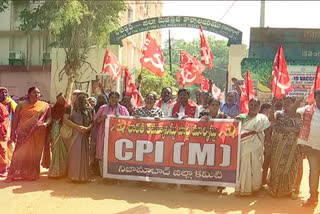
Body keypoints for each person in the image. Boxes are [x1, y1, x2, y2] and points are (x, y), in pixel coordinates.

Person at [5, 87, 51, 182]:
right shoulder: (21, 105)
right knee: (19, 154)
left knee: (33, 154)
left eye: (38, 93)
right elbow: (15, 120)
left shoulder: (44, 105)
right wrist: (12, 133)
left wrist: (45, 124)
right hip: (23, 133)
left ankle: (30, 174)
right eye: (34, 92)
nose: (37, 94)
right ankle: (13, 174)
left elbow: (49, 118)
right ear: (28, 94)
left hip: (37, 134)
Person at [268, 96, 303, 198]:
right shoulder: (279, 113)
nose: (286, 104)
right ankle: (275, 189)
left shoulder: (299, 115)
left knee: (291, 167)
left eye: (289, 102)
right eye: (285, 102)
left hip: (293, 146)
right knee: (276, 166)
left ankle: (288, 190)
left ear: (294, 104)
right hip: (279, 145)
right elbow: (271, 119)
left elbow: (298, 129)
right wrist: (272, 107)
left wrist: (286, 129)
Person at [235, 98, 270, 195]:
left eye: (256, 105)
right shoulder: (242, 117)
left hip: (257, 145)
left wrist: (267, 142)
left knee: (256, 166)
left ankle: (255, 187)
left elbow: (267, 131)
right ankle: (243, 188)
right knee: (244, 165)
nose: (253, 107)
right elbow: (233, 126)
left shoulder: (262, 118)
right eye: (251, 105)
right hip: (244, 145)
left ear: (259, 107)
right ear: (248, 106)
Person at [94, 91, 129, 175]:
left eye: (116, 97)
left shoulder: (123, 109)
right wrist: (102, 118)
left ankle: (115, 175)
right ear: (109, 99)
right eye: (112, 97)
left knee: (116, 154)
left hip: (117, 137)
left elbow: (128, 122)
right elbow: (95, 121)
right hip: (104, 135)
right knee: (103, 154)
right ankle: (104, 175)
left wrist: (120, 118)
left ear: (119, 99)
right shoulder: (103, 108)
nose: (114, 99)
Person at [63, 92, 94, 182]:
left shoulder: (90, 110)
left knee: (85, 155)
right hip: (74, 135)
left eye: (85, 98)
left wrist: (87, 128)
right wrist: (77, 127)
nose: (83, 100)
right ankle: (73, 176)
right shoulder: (71, 108)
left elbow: (93, 122)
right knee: (74, 155)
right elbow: (65, 119)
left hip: (85, 135)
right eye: (80, 98)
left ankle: (84, 177)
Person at [297, 89, 320, 206]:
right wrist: (297, 102)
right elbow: (293, 112)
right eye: (319, 96)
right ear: (315, 97)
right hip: (312, 147)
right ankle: (313, 196)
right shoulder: (306, 110)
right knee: (314, 172)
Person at [48, 93, 69, 178]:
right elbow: (50, 119)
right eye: (59, 99)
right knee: (55, 149)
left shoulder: (68, 108)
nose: (61, 101)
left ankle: (64, 171)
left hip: (63, 132)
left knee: (64, 151)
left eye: (63, 99)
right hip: (54, 131)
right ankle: (55, 171)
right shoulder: (53, 109)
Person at [260, 103, 273, 186]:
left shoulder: (270, 120)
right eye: (267, 111)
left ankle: (264, 180)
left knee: (266, 164)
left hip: (268, 145)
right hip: (259, 143)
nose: (268, 112)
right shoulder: (258, 119)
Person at [0, 102, 10, 176]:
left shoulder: (1, 107)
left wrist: (3, 130)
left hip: (1, 131)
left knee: (2, 149)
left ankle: (3, 169)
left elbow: (5, 119)